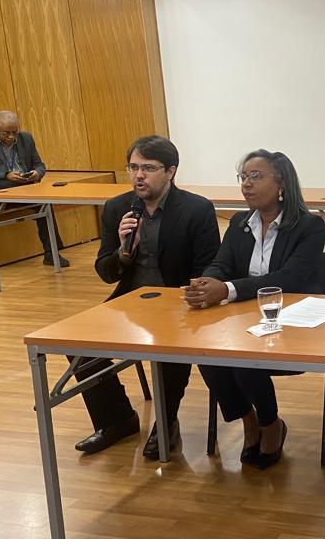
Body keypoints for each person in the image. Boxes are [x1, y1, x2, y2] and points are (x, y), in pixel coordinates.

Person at [79, 136, 220, 457]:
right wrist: (124, 251)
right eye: (133, 167)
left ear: (170, 171)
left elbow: (209, 267)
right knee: (79, 347)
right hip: (130, 301)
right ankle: (117, 420)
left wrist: (189, 299)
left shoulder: (196, 209)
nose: (138, 175)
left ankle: (166, 421)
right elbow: (106, 272)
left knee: (169, 349)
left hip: (180, 301)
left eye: (148, 168)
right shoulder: (118, 208)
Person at [186, 150, 324, 470]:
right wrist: (207, 282)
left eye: (256, 177)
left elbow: (290, 279)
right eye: (243, 177)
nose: (246, 185)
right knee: (204, 348)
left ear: (282, 184)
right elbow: (223, 263)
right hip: (243, 313)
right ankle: (248, 419)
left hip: (288, 317)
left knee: (242, 353)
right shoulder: (239, 222)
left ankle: (270, 422)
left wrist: (229, 290)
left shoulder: (308, 226)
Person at [0, 110, 70, 267]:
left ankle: (51, 253)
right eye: (6, 133)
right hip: (0, 191)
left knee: (45, 204)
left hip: (24, 188)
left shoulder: (26, 138)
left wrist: (36, 173)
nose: (11, 137)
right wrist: (6, 174)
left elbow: (40, 165)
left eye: (14, 132)